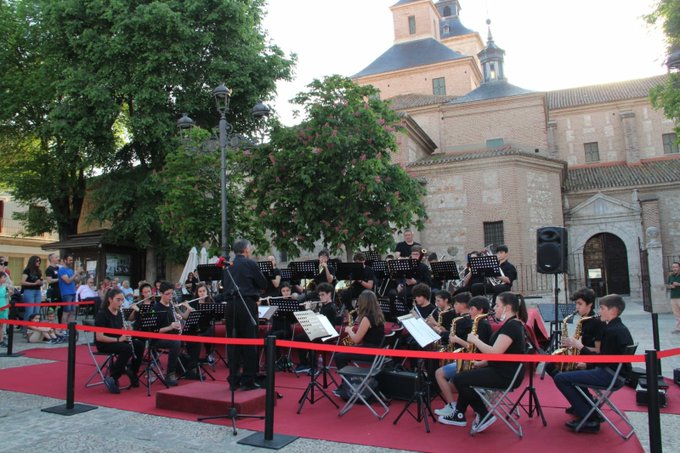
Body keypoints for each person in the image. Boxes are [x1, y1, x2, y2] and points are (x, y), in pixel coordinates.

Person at [440, 292, 527, 432]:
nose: (494, 308)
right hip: (502, 370)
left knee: (459, 379)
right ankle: (460, 413)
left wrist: (475, 340)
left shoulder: (512, 326)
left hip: (505, 374)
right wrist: (482, 363)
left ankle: (484, 414)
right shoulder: (512, 324)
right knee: (464, 376)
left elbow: (495, 352)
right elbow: (502, 353)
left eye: (498, 305)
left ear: (507, 307)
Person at [555, 294, 634, 434]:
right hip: (616, 374)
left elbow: (602, 359)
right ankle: (588, 409)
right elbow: (606, 358)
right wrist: (587, 365)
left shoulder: (611, 331)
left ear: (613, 311)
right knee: (570, 374)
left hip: (609, 375)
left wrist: (580, 348)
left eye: (602, 308)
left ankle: (589, 417)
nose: (599, 311)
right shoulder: (620, 328)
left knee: (561, 378)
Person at [434, 295, 492, 417]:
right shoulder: (479, 323)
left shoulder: (482, 325)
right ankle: (464, 405)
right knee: (452, 383)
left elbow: (476, 349)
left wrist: (457, 340)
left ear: (480, 310)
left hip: (476, 362)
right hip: (472, 360)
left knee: (439, 374)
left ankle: (452, 406)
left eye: (472, 309)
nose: (469, 312)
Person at [223, 239, 268, 391]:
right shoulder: (250, 264)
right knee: (249, 341)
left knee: (233, 341)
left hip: (230, 306)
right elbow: (263, 283)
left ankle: (234, 378)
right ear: (246, 250)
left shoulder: (228, 266)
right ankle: (249, 378)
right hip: (246, 304)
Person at [545, 287, 604, 380]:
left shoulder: (596, 322)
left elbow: (598, 350)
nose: (576, 307)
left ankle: (576, 387)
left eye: (580, 304)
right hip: (581, 356)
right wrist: (570, 344)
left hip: (589, 361)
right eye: (576, 303)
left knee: (558, 374)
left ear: (590, 304)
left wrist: (575, 345)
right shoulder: (583, 320)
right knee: (550, 365)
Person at [94, 288, 145, 394]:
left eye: (122, 300)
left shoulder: (119, 313)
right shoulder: (102, 314)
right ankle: (113, 377)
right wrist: (119, 339)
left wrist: (127, 331)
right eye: (118, 300)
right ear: (110, 299)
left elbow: (120, 331)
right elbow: (99, 337)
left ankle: (133, 372)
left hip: (118, 341)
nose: (121, 303)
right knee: (126, 348)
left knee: (139, 344)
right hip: (105, 343)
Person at [334, 290, 386, 371]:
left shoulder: (367, 318)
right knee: (343, 355)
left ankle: (349, 380)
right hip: (377, 351)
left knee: (338, 356)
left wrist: (349, 330)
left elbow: (356, 340)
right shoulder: (378, 315)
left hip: (370, 352)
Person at [294, 282, 338, 373]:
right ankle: (305, 363)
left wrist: (309, 310)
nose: (321, 297)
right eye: (320, 295)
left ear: (329, 294)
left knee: (311, 338)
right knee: (299, 337)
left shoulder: (331, 307)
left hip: (328, 333)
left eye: (323, 295)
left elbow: (319, 321)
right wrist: (313, 310)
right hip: (321, 331)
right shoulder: (325, 306)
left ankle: (313, 366)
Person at [150, 281, 185, 386]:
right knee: (176, 343)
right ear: (161, 294)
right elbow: (153, 331)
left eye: (171, 294)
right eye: (167, 294)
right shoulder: (156, 308)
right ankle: (170, 373)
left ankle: (188, 368)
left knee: (191, 338)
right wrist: (170, 326)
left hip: (171, 335)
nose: (170, 296)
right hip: (157, 338)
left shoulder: (170, 306)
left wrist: (177, 319)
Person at [21, 256, 43, 325]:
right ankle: (26, 330)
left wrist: (41, 282)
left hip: (38, 291)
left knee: (36, 311)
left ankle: (35, 328)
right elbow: (22, 282)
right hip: (29, 291)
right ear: (32, 261)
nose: (38, 262)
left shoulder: (39, 271)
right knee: (29, 311)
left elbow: (40, 281)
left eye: (39, 261)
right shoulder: (27, 270)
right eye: (37, 261)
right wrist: (33, 283)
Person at [57, 254, 79, 326]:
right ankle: (63, 328)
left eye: (72, 260)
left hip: (73, 292)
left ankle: (70, 327)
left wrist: (80, 275)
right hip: (66, 293)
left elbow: (75, 280)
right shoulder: (62, 270)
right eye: (70, 260)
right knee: (66, 311)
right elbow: (68, 281)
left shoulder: (70, 270)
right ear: (65, 260)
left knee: (72, 311)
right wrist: (75, 274)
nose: (71, 262)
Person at [667, 262, 680, 334]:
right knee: (676, 314)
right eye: (673, 267)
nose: (674, 268)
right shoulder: (671, 276)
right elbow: (668, 284)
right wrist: (670, 286)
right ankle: (678, 328)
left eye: (676, 267)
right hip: (673, 297)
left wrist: (678, 284)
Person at [0, 271, 9, 347]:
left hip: (3, 305)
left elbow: (4, 295)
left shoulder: (3, 287)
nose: (5, 279)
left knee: (1, 325)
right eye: (3, 277)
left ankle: (1, 340)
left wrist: (8, 294)